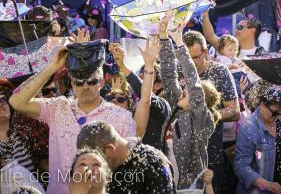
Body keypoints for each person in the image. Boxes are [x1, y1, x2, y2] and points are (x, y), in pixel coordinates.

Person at [9, 46, 136, 194]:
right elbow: (16, 102)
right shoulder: (57, 107)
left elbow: (128, 168)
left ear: (101, 82)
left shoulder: (121, 116)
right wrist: (51, 67)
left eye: (91, 81)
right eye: (79, 82)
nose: (85, 86)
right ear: (72, 84)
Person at [159, 14, 220, 190]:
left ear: (199, 100)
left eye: (189, 91)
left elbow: (193, 82)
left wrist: (180, 44)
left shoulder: (201, 120)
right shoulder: (176, 108)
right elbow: (169, 74)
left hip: (189, 188)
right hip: (168, 185)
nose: (183, 89)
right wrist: (164, 36)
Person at [182, 30, 240, 194]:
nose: (189, 63)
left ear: (205, 53)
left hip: (211, 155)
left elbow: (234, 111)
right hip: (182, 155)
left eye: (193, 58)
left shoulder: (219, 71)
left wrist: (207, 115)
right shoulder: (179, 71)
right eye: (184, 58)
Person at [76, 121, 176, 194]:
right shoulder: (110, 166)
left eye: (96, 161)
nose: (93, 168)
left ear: (110, 149)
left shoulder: (153, 163)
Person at [109, 41, 170, 151]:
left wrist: (124, 66)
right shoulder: (132, 104)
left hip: (152, 162)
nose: (142, 74)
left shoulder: (162, 104)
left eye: (149, 74)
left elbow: (146, 96)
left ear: (158, 85)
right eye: (142, 71)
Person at [235, 86, 281, 193]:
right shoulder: (248, 129)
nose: (277, 117)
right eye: (274, 113)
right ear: (262, 104)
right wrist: (266, 185)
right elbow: (241, 167)